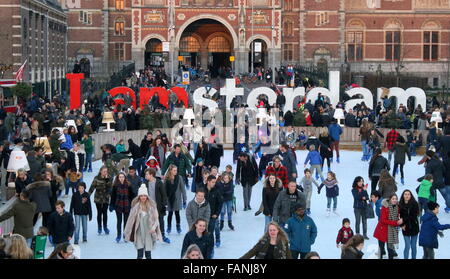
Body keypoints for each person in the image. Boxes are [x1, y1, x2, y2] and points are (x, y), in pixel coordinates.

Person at [124, 184, 162, 259]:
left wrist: (153, 228)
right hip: (139, 233)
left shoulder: (152, 207)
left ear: (147, 196)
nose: (143, 197)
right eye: (141, 196)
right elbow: (130, 220)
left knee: (148, 254)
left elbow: (156, 219)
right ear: (139, 197)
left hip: (149, 233)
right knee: (139, 254)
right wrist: (127, 232)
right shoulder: (136, 207)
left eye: (144, 195)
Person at [144, 168, 169, 244]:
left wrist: (164, 204)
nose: (145, 176)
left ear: (151, 175)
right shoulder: (145, 183)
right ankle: (151, 236)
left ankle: (163, 235)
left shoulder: (159, 183)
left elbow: (164, 194)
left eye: (147, 174)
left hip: (158, 205)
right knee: (149, 221)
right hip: (149, 206)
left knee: (160, 220)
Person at [374, 193, 403, 259]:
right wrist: (396, 223)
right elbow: (383, 220)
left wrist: (400, 221)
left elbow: (398, 217)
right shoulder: (385, 207)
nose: (394, 200)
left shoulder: (397, 207)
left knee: (390, 250)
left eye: (396, 199)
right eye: (393, 199)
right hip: (382, 230)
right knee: (381, 248)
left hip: (391, 231)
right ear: (390, 199)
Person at [110, 172, 133, 243]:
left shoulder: (128, 185)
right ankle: (119, 235)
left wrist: (131, 204)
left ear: (125, 178)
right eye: (120, 177)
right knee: (119, 221)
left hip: (126, 205)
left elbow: (132, 196)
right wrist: (111, 205)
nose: (121, 178)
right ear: (118, 178)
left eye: (122, 177)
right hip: (118, 205)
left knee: (126, 221)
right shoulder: (115, 186)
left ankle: (125, 235)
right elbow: (113, 196)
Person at [88, 166, 112, 235]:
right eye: (104, 171)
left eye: (106, 171)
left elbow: (110, 187)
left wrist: (107, 180)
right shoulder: (96, 178)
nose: (105, 173)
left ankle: (105, 226)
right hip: (98, 198)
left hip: (106, 198)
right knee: (99, 212)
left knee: (105, 212)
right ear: (100, 171)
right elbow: (92, 187)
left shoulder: (109, 177)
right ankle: (99, 227)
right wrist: (88, 195)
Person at [164, 164, 187, 234]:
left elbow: (183, 189)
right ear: (170, 171)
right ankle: (169, 226)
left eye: (176, 170)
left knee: (177, 213)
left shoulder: (179, 178)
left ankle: (178, 226)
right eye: (174, 170)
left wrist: (184, 199)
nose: (176, 172)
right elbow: (164, 190)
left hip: (177, 199)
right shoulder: (166, 179)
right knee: (170, 214)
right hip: (169, 199)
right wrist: (164, 201)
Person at [399, 189, 420, 259]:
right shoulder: (400, 204)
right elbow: (398, 217)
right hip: (405, 228)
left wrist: (403, 219)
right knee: (407, 246)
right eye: (405, 194)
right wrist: (401, 225)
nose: (407, 195)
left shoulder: (415, 204)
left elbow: (413, 215)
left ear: (411, 195)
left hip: (414, 227)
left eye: (408, 194)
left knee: (413, 246)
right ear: (403, 195)